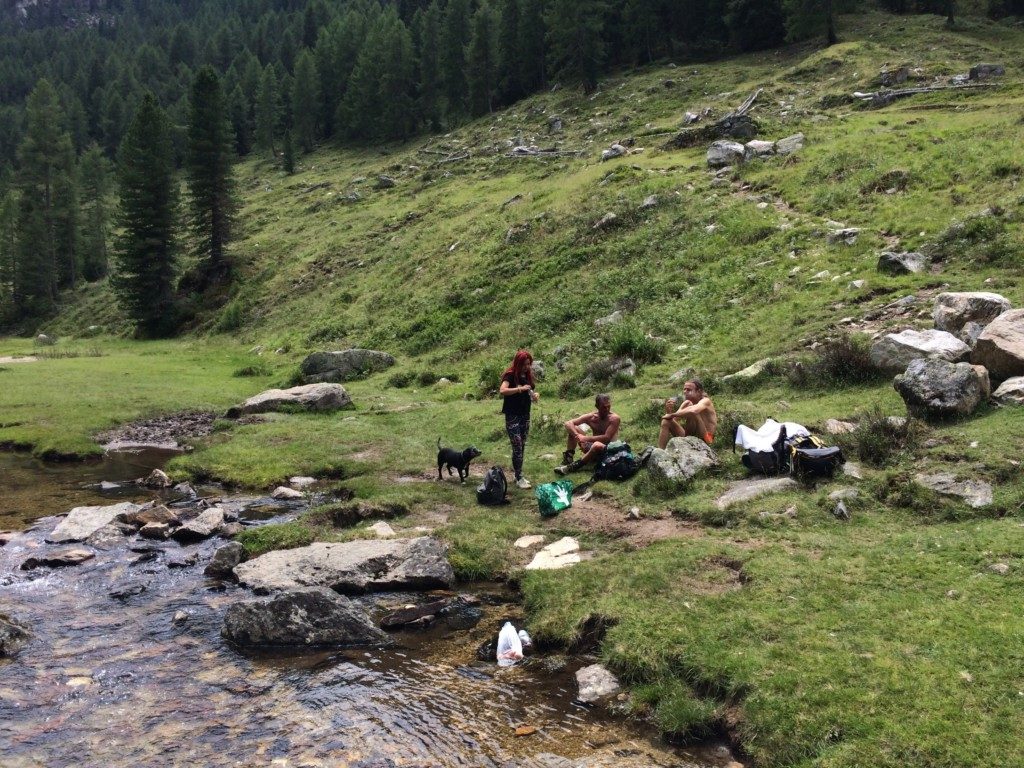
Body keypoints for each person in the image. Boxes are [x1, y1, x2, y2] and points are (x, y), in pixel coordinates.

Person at [499, 349, 540, 489]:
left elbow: (530, 393)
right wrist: (519, 389)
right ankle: (519, 477)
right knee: (517, 445)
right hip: (512, 415)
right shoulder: (510, 375)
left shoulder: (528, 376)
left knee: (521, 445)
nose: (527, 367)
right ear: (518, 363)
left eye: (529, 364)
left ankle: (518, 474)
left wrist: (534, 396)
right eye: (524, 364)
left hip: (525, 414)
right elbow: (503, 390)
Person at [555, 393, 621, 475]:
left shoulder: (614, 419)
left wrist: (585, 439)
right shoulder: (591, 417)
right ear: (597, 406)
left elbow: (606, 437)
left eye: (608, 406)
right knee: (574, 429)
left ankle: (572, 467)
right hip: (592, 448)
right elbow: (568, 423)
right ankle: (569, 458)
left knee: (596, 444)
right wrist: (577, 436)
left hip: (608, 450)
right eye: (604, 407)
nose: (607, 409)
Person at [658, 379, 717, 449]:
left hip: (707, 438)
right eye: (684, 389)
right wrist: (669, 412)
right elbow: (673, 420)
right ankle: (660, 452)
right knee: (666, 421)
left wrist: (672, 414)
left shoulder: (705, 401)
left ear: (699, 391)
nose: (685, 392)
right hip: (689, 437)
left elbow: (694, 411)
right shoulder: (687, 403)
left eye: (688, 390)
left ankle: (691, 442)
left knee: (693, 413)